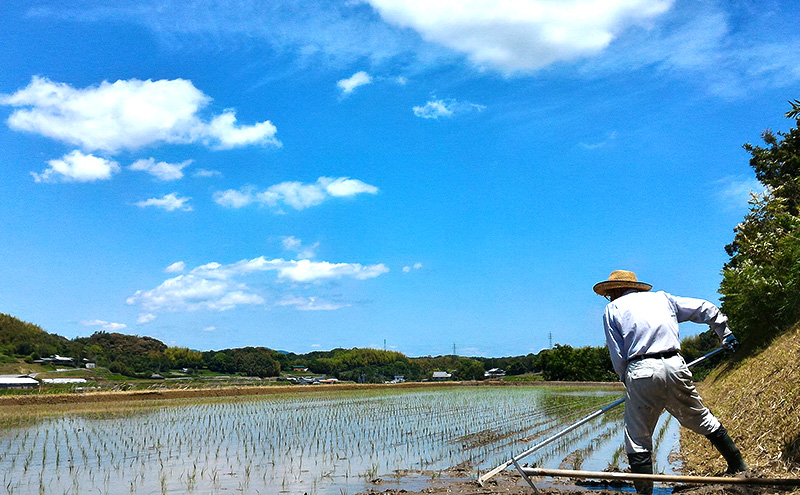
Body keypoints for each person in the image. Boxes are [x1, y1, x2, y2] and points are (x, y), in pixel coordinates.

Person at [593, 270, 747, 494]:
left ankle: (645, 492)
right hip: (675, 364)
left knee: (638, 436)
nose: (610, 298)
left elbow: (618, 354)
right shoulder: (663, 298)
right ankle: (738, 465)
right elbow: (706, 308)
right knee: (700, 417)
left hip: (641, 368)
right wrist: (726, 334)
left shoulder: (613, 309)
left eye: (609, 294)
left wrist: (628, 381)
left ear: (615, 290)